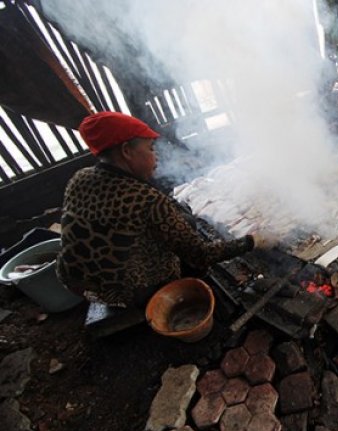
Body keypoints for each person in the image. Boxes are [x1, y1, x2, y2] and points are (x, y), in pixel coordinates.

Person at [57, 111, 272, 309]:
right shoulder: (146, 199)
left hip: (80, 285)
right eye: (150, 149)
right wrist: (252, 241)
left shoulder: (79, 178)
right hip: (126, 293)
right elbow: (199, 255)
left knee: (183, 219)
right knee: (188, 236)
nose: (156, 156)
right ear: (126, 151)